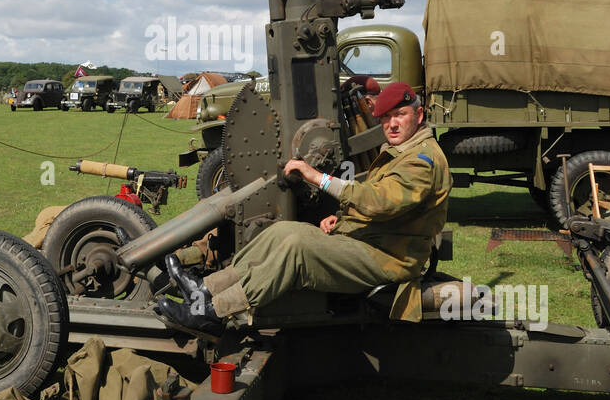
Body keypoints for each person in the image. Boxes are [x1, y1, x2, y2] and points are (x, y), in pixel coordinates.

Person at [156, 81, 451, 336]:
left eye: (399, 115)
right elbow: (388, 206)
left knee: (296, 248)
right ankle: (205, 290)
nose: (392, 124)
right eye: (386, 118)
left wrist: (316, 177)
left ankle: (214, 315)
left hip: (390, 259)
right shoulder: (405, 150)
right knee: (282, 231)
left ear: (419, 115)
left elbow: (379, 201)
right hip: (375, 242)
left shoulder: (420, 162)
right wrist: (344, 218)